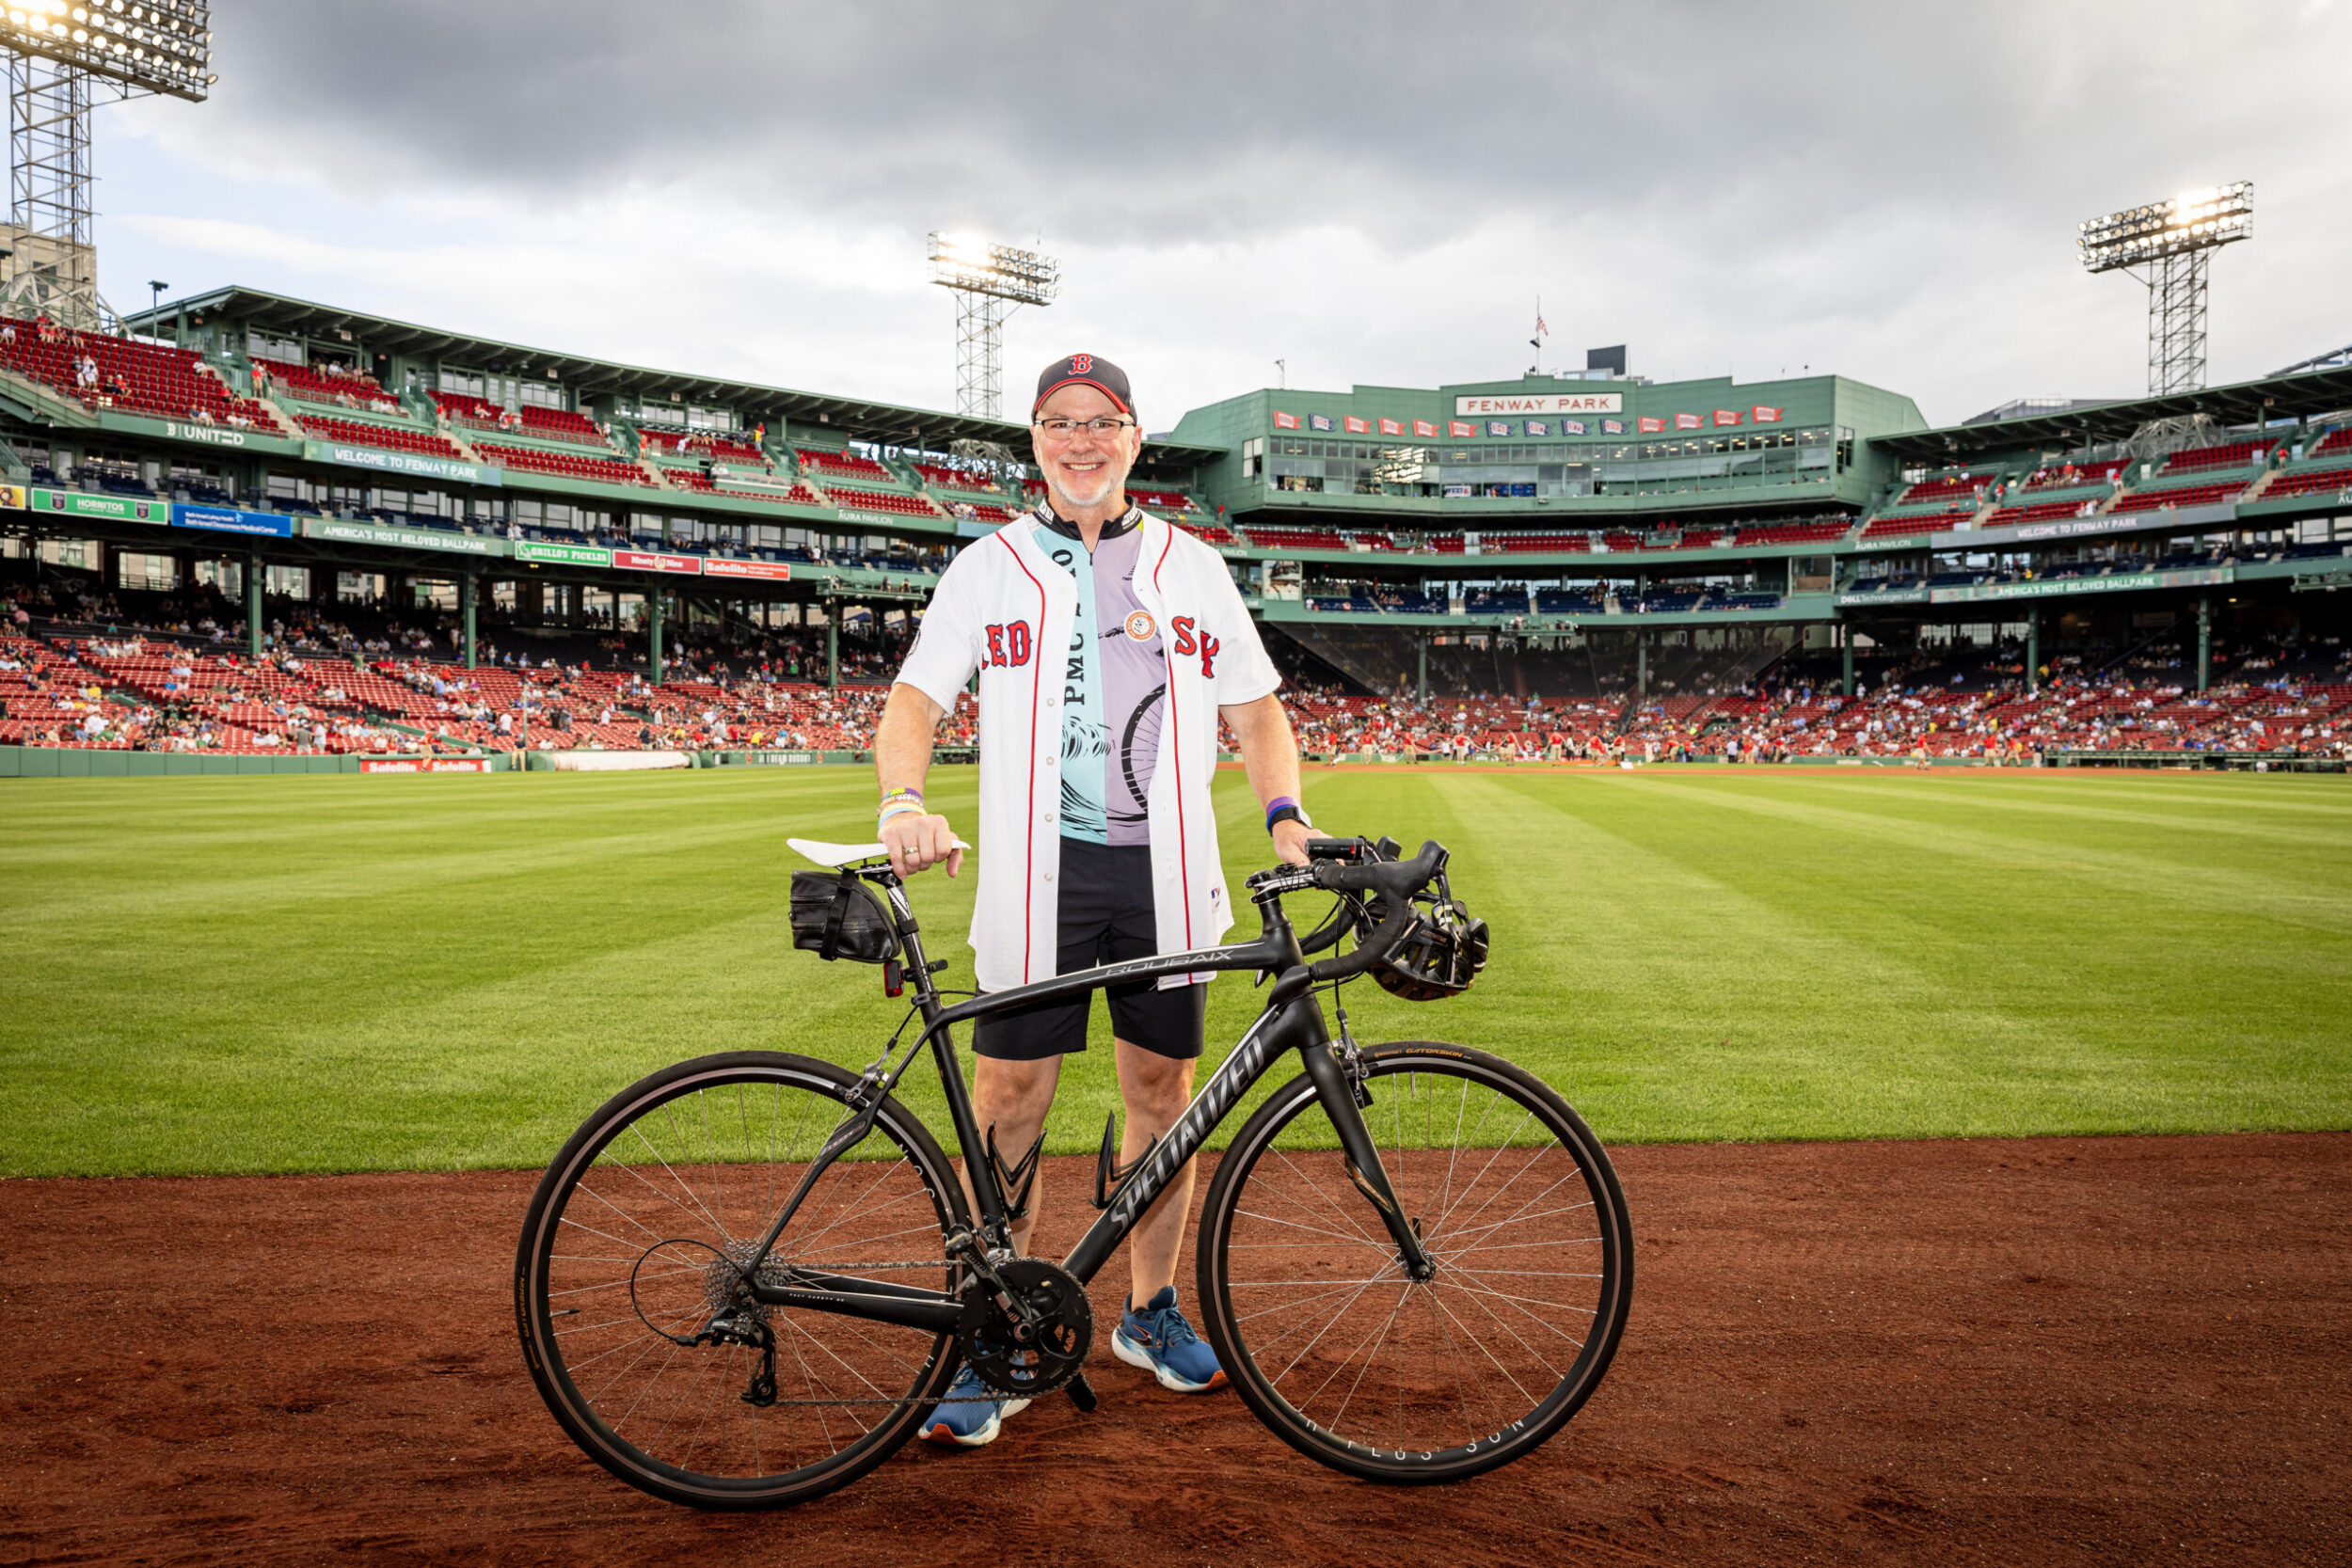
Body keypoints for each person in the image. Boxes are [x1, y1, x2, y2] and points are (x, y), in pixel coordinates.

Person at [875, 354, 1312, 1449]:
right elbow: (915, 701)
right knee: (1009, 1098)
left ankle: (1147, 1311)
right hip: (1034, 873)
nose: (1081, 441)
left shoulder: (1193, 565)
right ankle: (999, 1329)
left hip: (1162, 872)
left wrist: (1285, 817)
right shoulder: (989, 565)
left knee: (1164, 1091)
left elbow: (1257, 714)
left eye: (1101, 422)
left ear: (1132, 436)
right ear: (1035, 441)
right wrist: (901, 799)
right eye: (1059, 423)